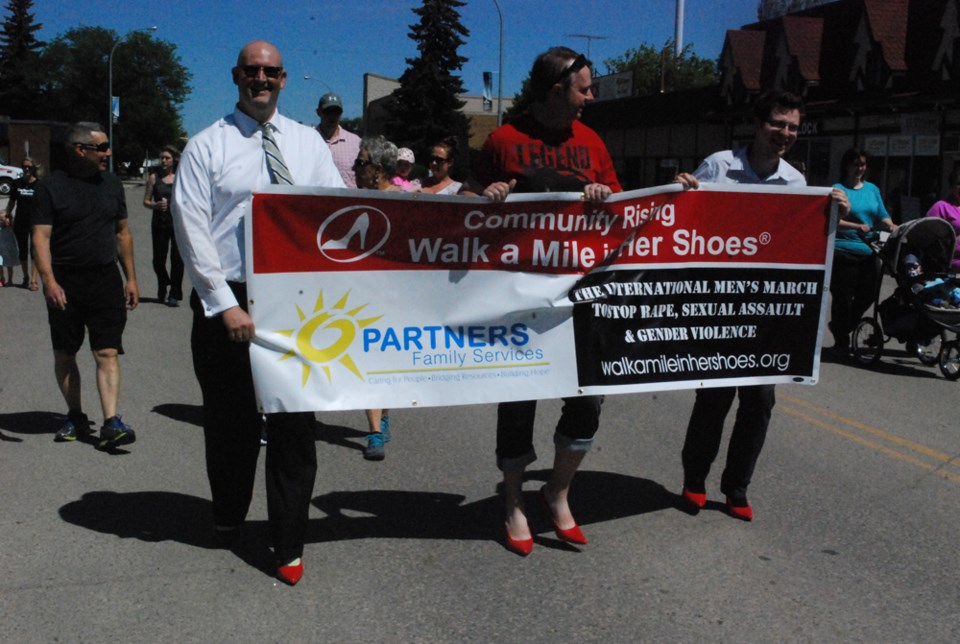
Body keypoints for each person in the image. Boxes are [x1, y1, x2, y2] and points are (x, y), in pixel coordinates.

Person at [172, 40, 345, 586]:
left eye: (270, 72)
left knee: (295, 427)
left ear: (284, 79)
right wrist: (224, 305)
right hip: (231, 303)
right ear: (236, 76)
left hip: (298, 303)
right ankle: (228, 512)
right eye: (252, 71)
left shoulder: (307, 143)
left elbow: (338, 211)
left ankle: (288, 540)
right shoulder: (208, 146)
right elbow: (191, 229)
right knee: (232, 427)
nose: (261, 79)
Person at [674, 91, 849, 521]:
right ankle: (694, 481)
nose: (785, 133)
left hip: (766, 311)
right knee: (713, 398)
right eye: (778, 123)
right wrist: (682, 191)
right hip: (717, 305)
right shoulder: (718, 165)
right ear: (757, 124)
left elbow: (799, 242)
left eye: (792, 127)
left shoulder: (795, 182)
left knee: (760, 402)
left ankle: (737, 488)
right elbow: (685, 220)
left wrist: (833, 211)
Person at [477, 46, 621, 556]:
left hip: (581, 292)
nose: (591, 96)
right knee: (518, 396)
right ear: (556, 89)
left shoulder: (592, 141)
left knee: (588, 397)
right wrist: (486, 196)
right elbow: (464, 223)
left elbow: (621, 213)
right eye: (584, 88)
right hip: (520, 293)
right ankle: (513, 501)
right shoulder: (503, 140)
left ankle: (556, 492)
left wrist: (607, 199)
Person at [31, 121, 139, 448]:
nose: (108, 152)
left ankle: (110, 422)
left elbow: (123, 233)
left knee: (106, 351)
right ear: (80, 150)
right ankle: (76, 416)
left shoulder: (111, 184)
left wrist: (131, 278)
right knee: (66, 353)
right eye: (102, 147)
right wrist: (48, 280)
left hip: (104, 279)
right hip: (65, 281)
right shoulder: (50, 187)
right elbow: (41, 237)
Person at [352, 135, 401, 460]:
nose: (355, 167)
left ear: (378, 170)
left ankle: (383, 413)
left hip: (399, 296)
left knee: (391, 361)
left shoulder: (408, 200)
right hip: (363, 295)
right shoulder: (349, 202)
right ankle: (374, 431)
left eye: (361, 162)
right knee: (368, 360)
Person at [829, 148, 897, 353]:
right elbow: (832, 221)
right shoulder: (837, 189)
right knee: (843, 297)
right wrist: (857, 227)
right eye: (856, 164)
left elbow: (881, 214)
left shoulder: (872, 189)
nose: (860, 168)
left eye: (863, 164)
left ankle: (844, 326)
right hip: (843, 249)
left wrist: (891, 226)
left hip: (869, 249)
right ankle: (841, 339)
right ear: (846, 166)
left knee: (867, 294)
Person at [143, 145, 184, 306]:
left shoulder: (181, 178)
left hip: (177, 223)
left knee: (177, 259)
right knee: (158, 260)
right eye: (162, 158)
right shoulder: (154, 177)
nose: (164, 161)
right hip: (159, 223)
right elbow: (145, 201)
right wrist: (155, 205)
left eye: (167, 158)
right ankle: (163, 282)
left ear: (174, 160)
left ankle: (174, 294)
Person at [5, 157, 41, 290]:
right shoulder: (17, 183)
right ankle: (25, 277)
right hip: (20, 221)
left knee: (35, 251)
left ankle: (33, 280)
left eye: (29, 167)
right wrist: (7, 215)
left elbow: (43, 205)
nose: (26, 169)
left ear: (34, 169)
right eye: (24, 167)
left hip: (36, 222)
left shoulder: (39, 185)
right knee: (23, 251)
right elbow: (11, 202)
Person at [316, 92, 361, 189]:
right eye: (328, 111)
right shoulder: (309, 140)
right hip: (316, 200)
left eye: (336, 112)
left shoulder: (355, 143)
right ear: (318, 112)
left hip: (348, 201)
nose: (332, 116)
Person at [925, 168, 960, 272]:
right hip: (951, 269)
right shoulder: (941, 207)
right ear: (951, 187)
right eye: (959, 183)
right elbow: (926, 239)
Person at [0, 209, 16, 285]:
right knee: (0, 265)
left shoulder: (11, 227)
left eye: (6, 218)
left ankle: (10, 280)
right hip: (0, 249)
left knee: (9, 266)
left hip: (9, 250)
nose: (5, 220)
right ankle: (2, 278)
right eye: (2, 219)